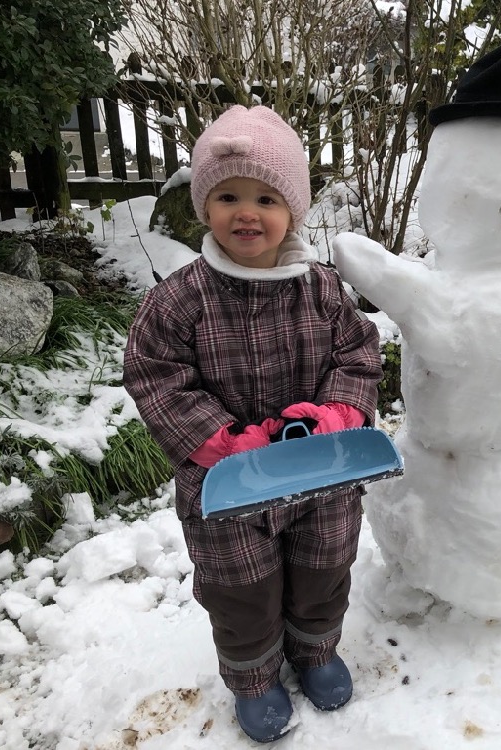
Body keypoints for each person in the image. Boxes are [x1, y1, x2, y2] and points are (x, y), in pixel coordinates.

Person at [123, 105, 381, 743]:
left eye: (267, 197)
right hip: (229, 486)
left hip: (322, 476)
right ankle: (255, 675)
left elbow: (358, 353)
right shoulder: (181, 297)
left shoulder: (320, 289)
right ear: (204, 206)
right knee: (242, 589)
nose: (247, 212)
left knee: (324, 569)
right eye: (228, 195)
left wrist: (337, 417)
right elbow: (154, 372)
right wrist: (223, 442)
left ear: (292, 210)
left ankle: (315, 652)